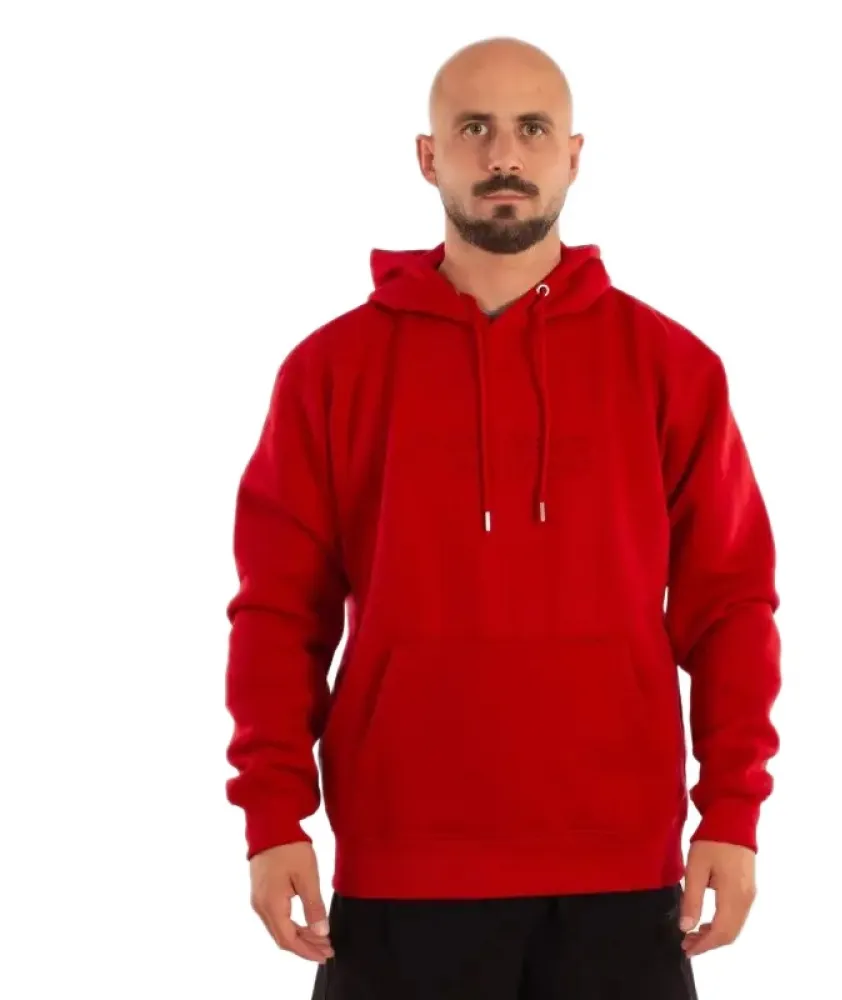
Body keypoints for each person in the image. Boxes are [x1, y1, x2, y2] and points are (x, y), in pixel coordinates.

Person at [224, 35, 781, 1000]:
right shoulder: (329, 373)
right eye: (473, 129)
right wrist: (273, 818)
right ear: (428, 155)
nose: (504, 156)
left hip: (620, 875)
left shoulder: (672, 369)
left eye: (532, 129)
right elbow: (278, 612)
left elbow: (730, 604)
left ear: (574, 154)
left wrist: (731, 812)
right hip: (402, 870)